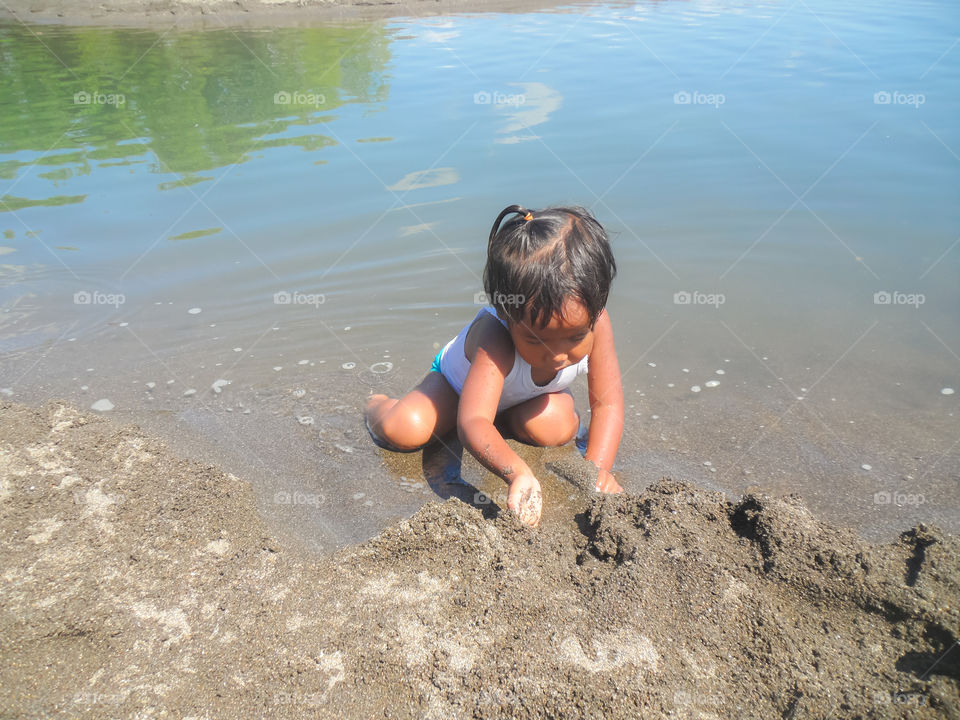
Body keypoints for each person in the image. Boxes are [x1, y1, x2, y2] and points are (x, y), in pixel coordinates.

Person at [365, 204, 624, 527]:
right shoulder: (495, 336)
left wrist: (595, 472)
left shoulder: (597, 323)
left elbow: (608, 404)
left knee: (555, 427)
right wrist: (517, 471)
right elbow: (472, 420)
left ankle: (501, 428)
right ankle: (376, 404)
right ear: (505, 313)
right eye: (536, 341)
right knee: (404, 430)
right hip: (457, 390)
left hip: (520, 401)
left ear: (597, 305)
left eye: (574, 339)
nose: (558, 356)